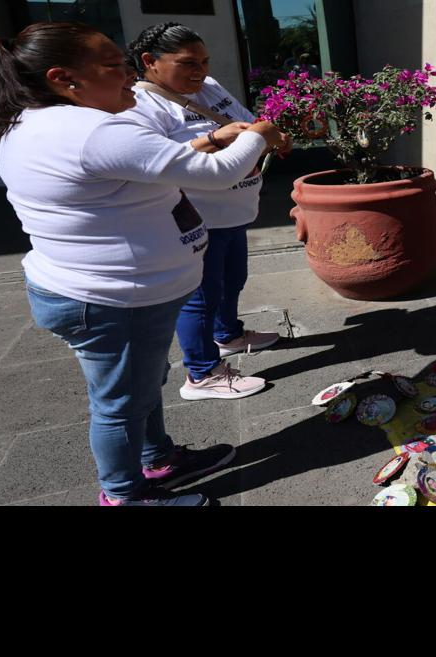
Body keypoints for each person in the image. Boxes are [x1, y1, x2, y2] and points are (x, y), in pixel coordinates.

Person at [0, 21, 280, 504]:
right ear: (64, 78)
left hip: (104, 291)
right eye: (113, 66)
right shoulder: (93, 130)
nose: (127, 76)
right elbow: (218, 175)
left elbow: (146, 166)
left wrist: (207, 139)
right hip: (109, 297)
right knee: (120, 404)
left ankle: (158, 460)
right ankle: (124, 495)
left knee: (140, 386)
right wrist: (261, 132)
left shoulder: (39, 120)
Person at [125, 21, 293, 401]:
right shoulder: (140, 104)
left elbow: (246, 125)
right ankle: (201, 374)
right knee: (200, 296)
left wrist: (269, 137)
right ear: (150, 61)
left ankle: (228, 335)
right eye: (187, 63)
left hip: (235, 209)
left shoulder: (208, 88)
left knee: (232, 279)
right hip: (196, 217)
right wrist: (216, 139)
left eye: (204, 60)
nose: (200, 71)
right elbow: (156, 164)